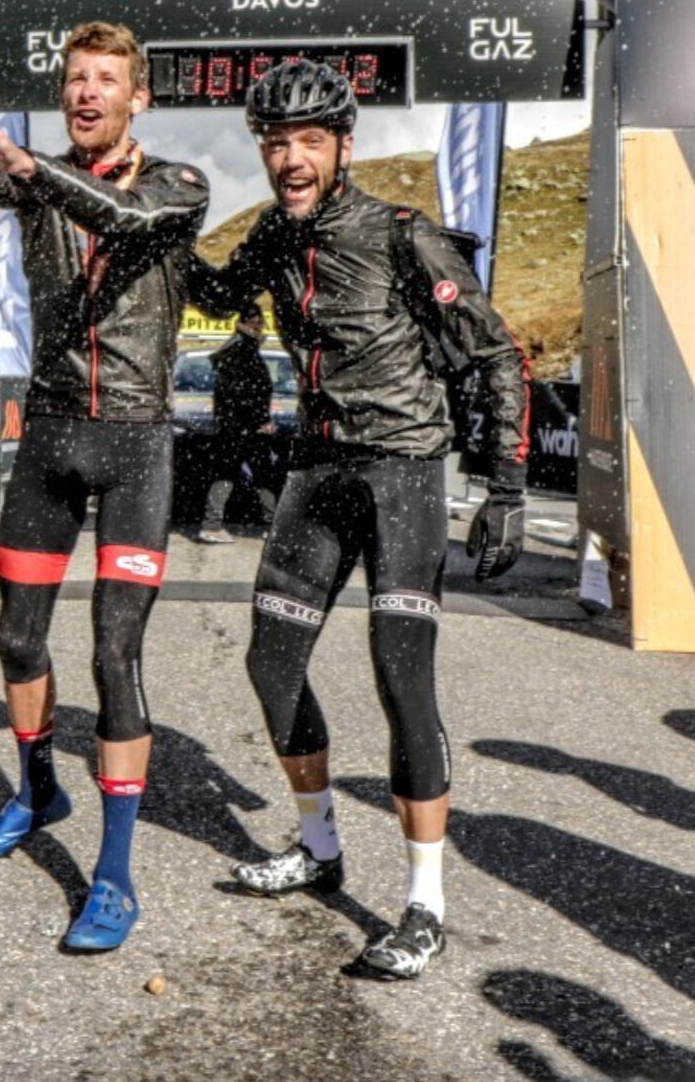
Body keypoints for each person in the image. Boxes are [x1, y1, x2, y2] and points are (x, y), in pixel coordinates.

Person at [189, 58, 530, 980]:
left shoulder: (400, 233)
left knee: (399, 680)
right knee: (270, 663)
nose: (290, 158)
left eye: (308, 140)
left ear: (343, 144)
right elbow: (218, 297)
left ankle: (424, 904)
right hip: (317, 469)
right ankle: (318, 846)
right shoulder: (272, 232)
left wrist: (504, 488)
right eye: (274, 142)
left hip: (401, 471)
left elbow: (495, 354)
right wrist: (165, 230)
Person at [0, 24, 208, 953]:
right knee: (16, 636)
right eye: (74, 79)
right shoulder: (31, 179)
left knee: (113, 655)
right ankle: (36, 794)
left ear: (137, 98)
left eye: (106, 80)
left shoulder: (179, 184)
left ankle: (112, 875)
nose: (86, 92)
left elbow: (122, 220)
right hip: (53, 436)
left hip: (136, 441)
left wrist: (23, 165)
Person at [195, 303, 278, 543]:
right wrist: (259, 420)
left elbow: (239, 391)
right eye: (255, 320)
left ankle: (214, 524)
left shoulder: (239, 348)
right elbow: (244, 392)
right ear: (244, 323)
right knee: (256, 472)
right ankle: (271, 525)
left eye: (260, 320)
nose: (260, 325)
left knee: (234, 472)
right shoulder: (242, 350)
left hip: (237, 424)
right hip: (243, 425)